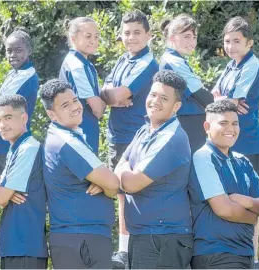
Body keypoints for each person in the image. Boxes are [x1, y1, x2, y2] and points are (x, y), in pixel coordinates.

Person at [99, 10, 159, 267]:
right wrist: (110, 95)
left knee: (138, 192)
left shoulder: (149, 63)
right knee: (122, 193)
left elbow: (119, 93)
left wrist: (115, 95)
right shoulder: (123, 60)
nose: (131, 37)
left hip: (137, 137)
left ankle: (141, 247)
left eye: (137, 32)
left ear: (148, 35)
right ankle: (124, 249)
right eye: (126, 33)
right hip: (117, 136)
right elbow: (107, 92)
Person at [116, 70, 193, 269]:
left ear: (176, 106)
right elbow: (119, 168)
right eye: (153, 94)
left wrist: (124, 172)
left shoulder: (171, 137)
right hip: (146, 235)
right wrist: (125, 172)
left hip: (162, 238)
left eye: (164, 98)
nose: (155, 101)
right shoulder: (145, 130)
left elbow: (132, 183)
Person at [40, 79, 119, 269]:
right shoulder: (67, 143)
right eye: (65, 105)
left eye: (75, 100)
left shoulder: (67, 136)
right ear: (52, 114)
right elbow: (114, 184)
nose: (75, 107)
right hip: (83, 238)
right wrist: (107, 187)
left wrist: (104, 184)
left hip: (78, 238)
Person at [188, 100, 259, 269]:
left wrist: (246, 202)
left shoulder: (242, 161)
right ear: (207, 127)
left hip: (244, 253)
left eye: (235, 123)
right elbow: (224, 210)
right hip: (216, 254)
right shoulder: (203, 157)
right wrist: (253, 217)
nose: (230, 129)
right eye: (223, 123)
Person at [212, 17, 259, 266]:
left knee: (250, 204)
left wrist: (226, 99)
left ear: (249, 43)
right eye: (227, 41)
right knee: (227, 199)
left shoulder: (251, 63)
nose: (231, 46)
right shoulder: (231, 65)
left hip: (249, 143)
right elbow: (218, 99)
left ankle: (252, 258)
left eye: (237, 41)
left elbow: (231, 100)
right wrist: (226, 100)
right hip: (229, 142)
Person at [0, 95, 48, 269]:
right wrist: (2, 190)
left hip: (25, 246)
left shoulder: (28, 148)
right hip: (16, 246)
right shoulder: (15, 148)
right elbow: (2, 194)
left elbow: (1, 199)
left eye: (8, 118)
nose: (2, 125)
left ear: (24, 118)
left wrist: (0, 191)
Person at [159, 14, 213, 153]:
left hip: (188, 122)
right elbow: (201, 96)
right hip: (188, 123)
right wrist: (226, 105)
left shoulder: (175, 58)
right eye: (186, 36)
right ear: (172, 37)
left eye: (194, 37)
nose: (192, 42)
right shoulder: (174, 61)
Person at [0, 28, 39, 185]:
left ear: (29, 51)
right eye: (9, 50)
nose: (13, 55)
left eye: (18, 50)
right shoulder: (14, 73)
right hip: (3, 140)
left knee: (11, 190)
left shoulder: (26, 75)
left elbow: (1, 104)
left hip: (13, 142)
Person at [59, 17, 106, 154]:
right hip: (81, 131)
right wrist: (106, 103)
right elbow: (97, 108)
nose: (93, 40)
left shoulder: (85, 64)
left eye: (96, 36)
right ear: (73, 38)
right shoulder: (76, 66)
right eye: (88, 36)